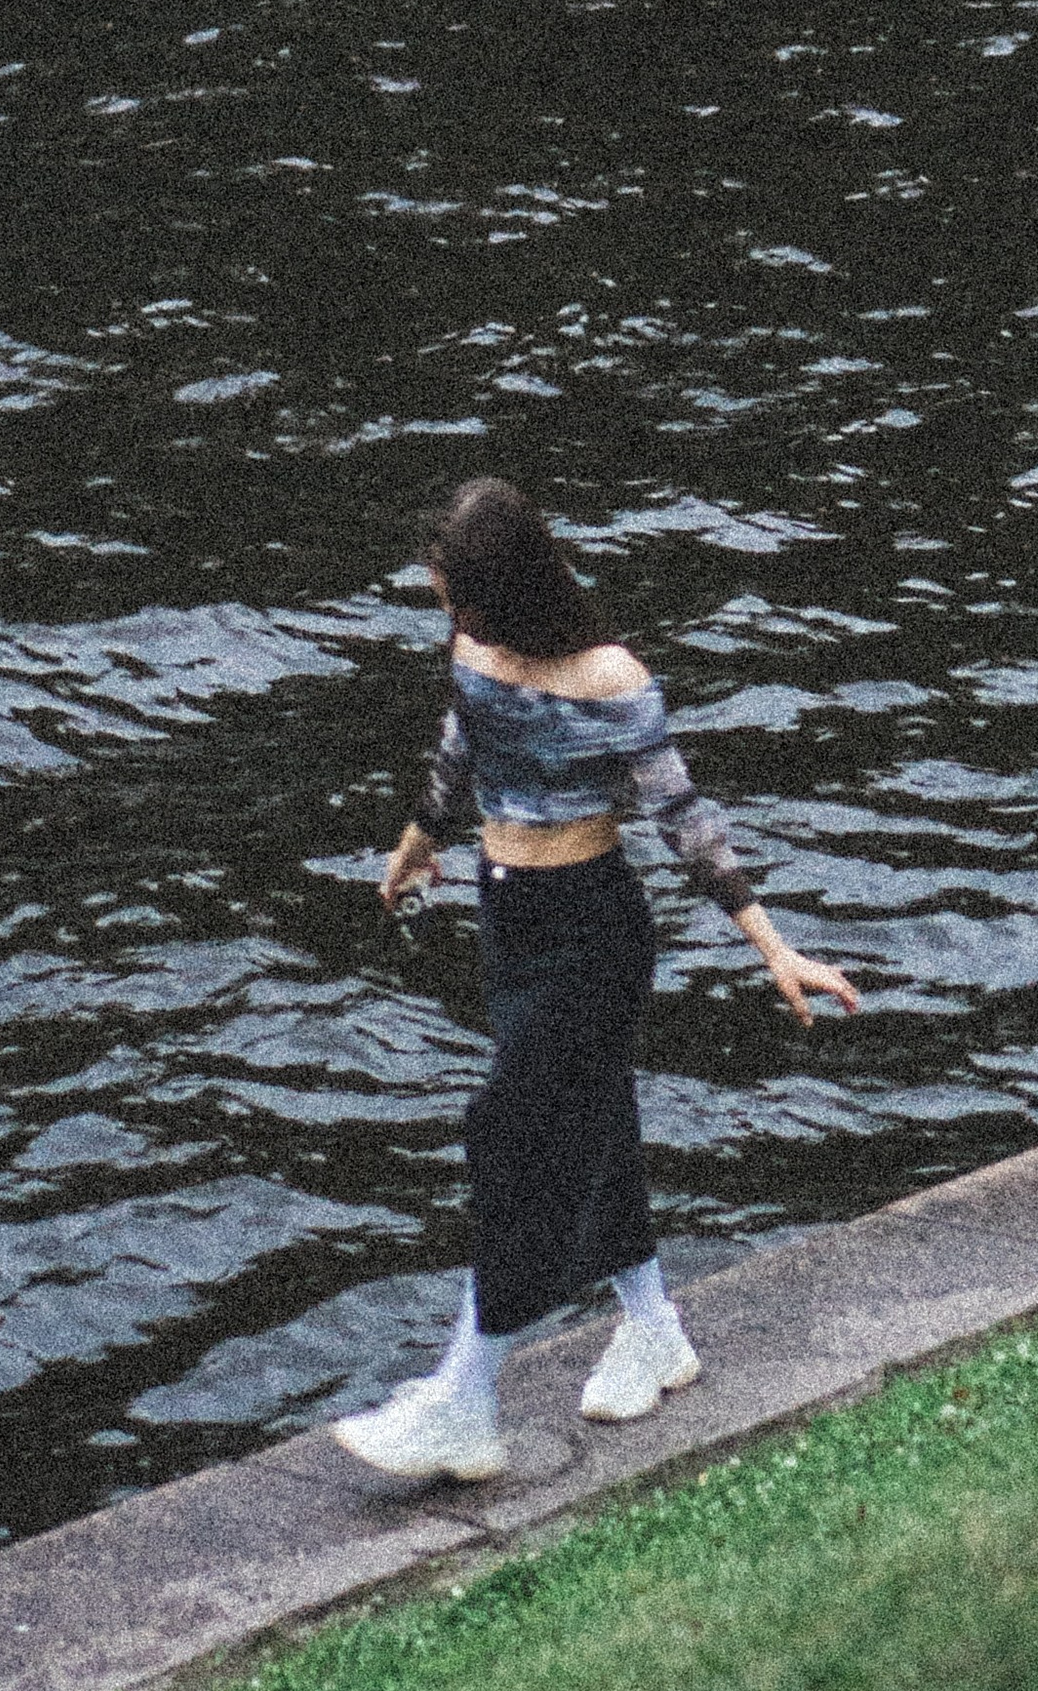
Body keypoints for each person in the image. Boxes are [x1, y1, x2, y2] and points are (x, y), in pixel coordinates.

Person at [334, 476, 859, 1483]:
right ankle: (655, 1329)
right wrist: (412, 847)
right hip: (508, 919)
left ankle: (464, 1397)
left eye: (459, 594)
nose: (449, 612)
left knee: (514, 1138)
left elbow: (683, 820)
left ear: (511, 588)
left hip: (589, 930)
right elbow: (460, 750)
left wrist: (773, 947)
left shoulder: (613, 679)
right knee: (594, 1128)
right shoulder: (474, 649)